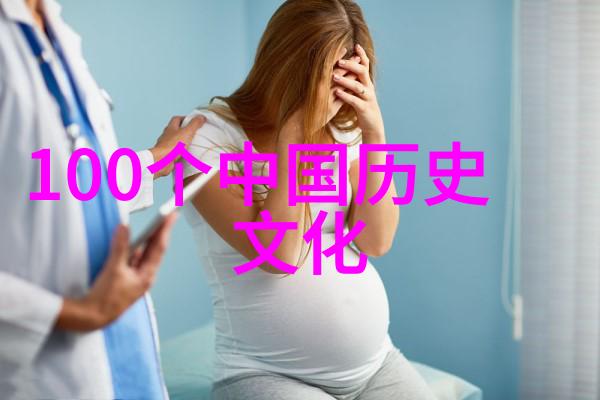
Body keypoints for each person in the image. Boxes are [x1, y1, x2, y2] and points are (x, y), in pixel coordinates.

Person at [180, 0, 437, 399]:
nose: (335, 96)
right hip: (262, 373)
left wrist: (374, 134)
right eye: (326, 79)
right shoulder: (207, 137)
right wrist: (296, 138)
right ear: (284, 66)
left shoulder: (342, 129)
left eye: (348, 79)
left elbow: (376, 240)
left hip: (375, 366)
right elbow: (279, 255)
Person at [0, 0, 205, 398]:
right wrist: (79, 313)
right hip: (44, 372)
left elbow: (65, 182)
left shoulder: (54, 31)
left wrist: (154, 160)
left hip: (124, 350)